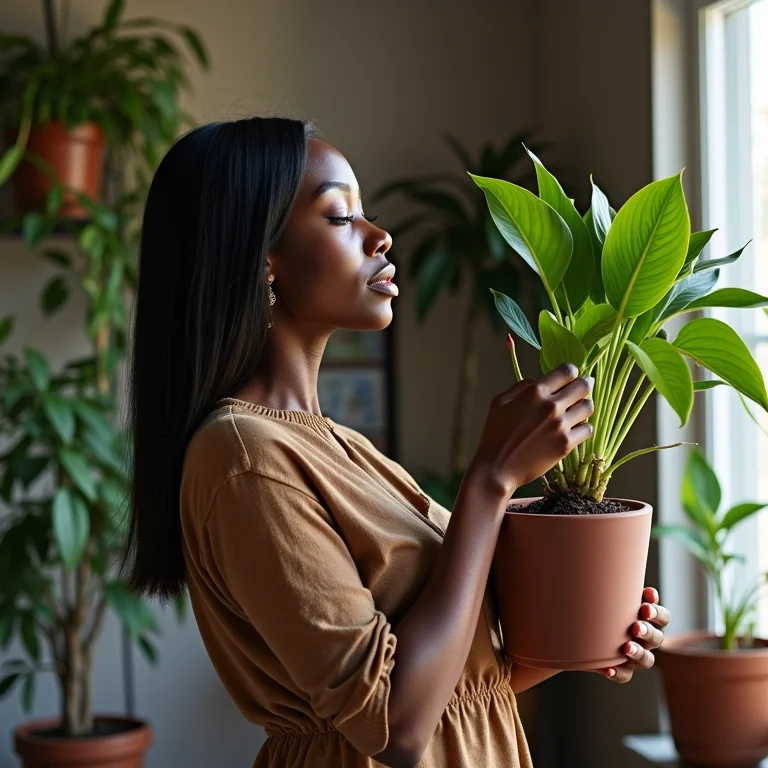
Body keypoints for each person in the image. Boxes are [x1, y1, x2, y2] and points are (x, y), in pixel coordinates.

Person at [122, 117, 670, 768]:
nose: (380, 235)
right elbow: (395, 726)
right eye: (339, 216)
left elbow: (460, 678)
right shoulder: (244, 457)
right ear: (261, 259)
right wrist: (491, 479)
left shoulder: (340, 447)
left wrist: (587, 634)